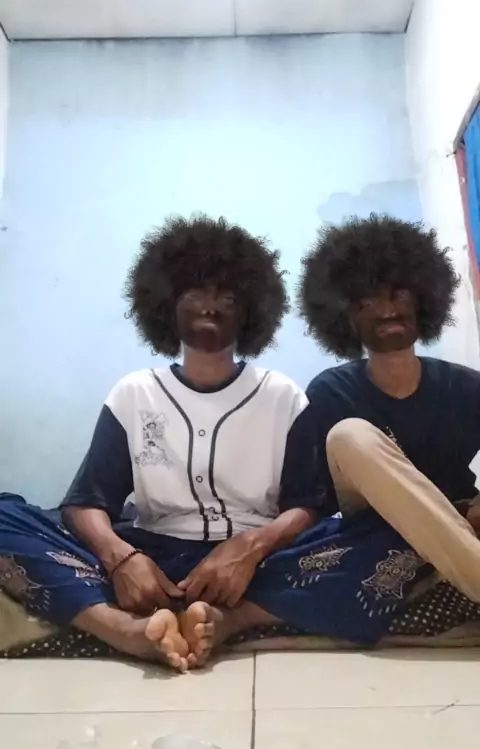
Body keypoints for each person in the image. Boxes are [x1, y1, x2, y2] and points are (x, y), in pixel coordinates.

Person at [1, 213, 478, 670]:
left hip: (264, 564)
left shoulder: (282, 396)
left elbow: (308, 505)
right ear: (165, 305)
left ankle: (231, 619)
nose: (211, 305)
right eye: (195, 293)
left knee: (387, 531)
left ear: (252, 311)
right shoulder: (134, 393)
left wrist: (251, 547)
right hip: (150, 553)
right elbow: (87, 500)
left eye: (227, 297)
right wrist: (121, 558)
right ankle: (124, 630)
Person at [291, 212, 480, 608]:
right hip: (370, 523)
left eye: (399, 296)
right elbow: (316, 501)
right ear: (345, 319)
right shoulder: (331, 392)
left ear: (423, 301)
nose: (388, 311)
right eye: (367, 302)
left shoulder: (464, 386)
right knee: (350, 434)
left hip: (459, 517)